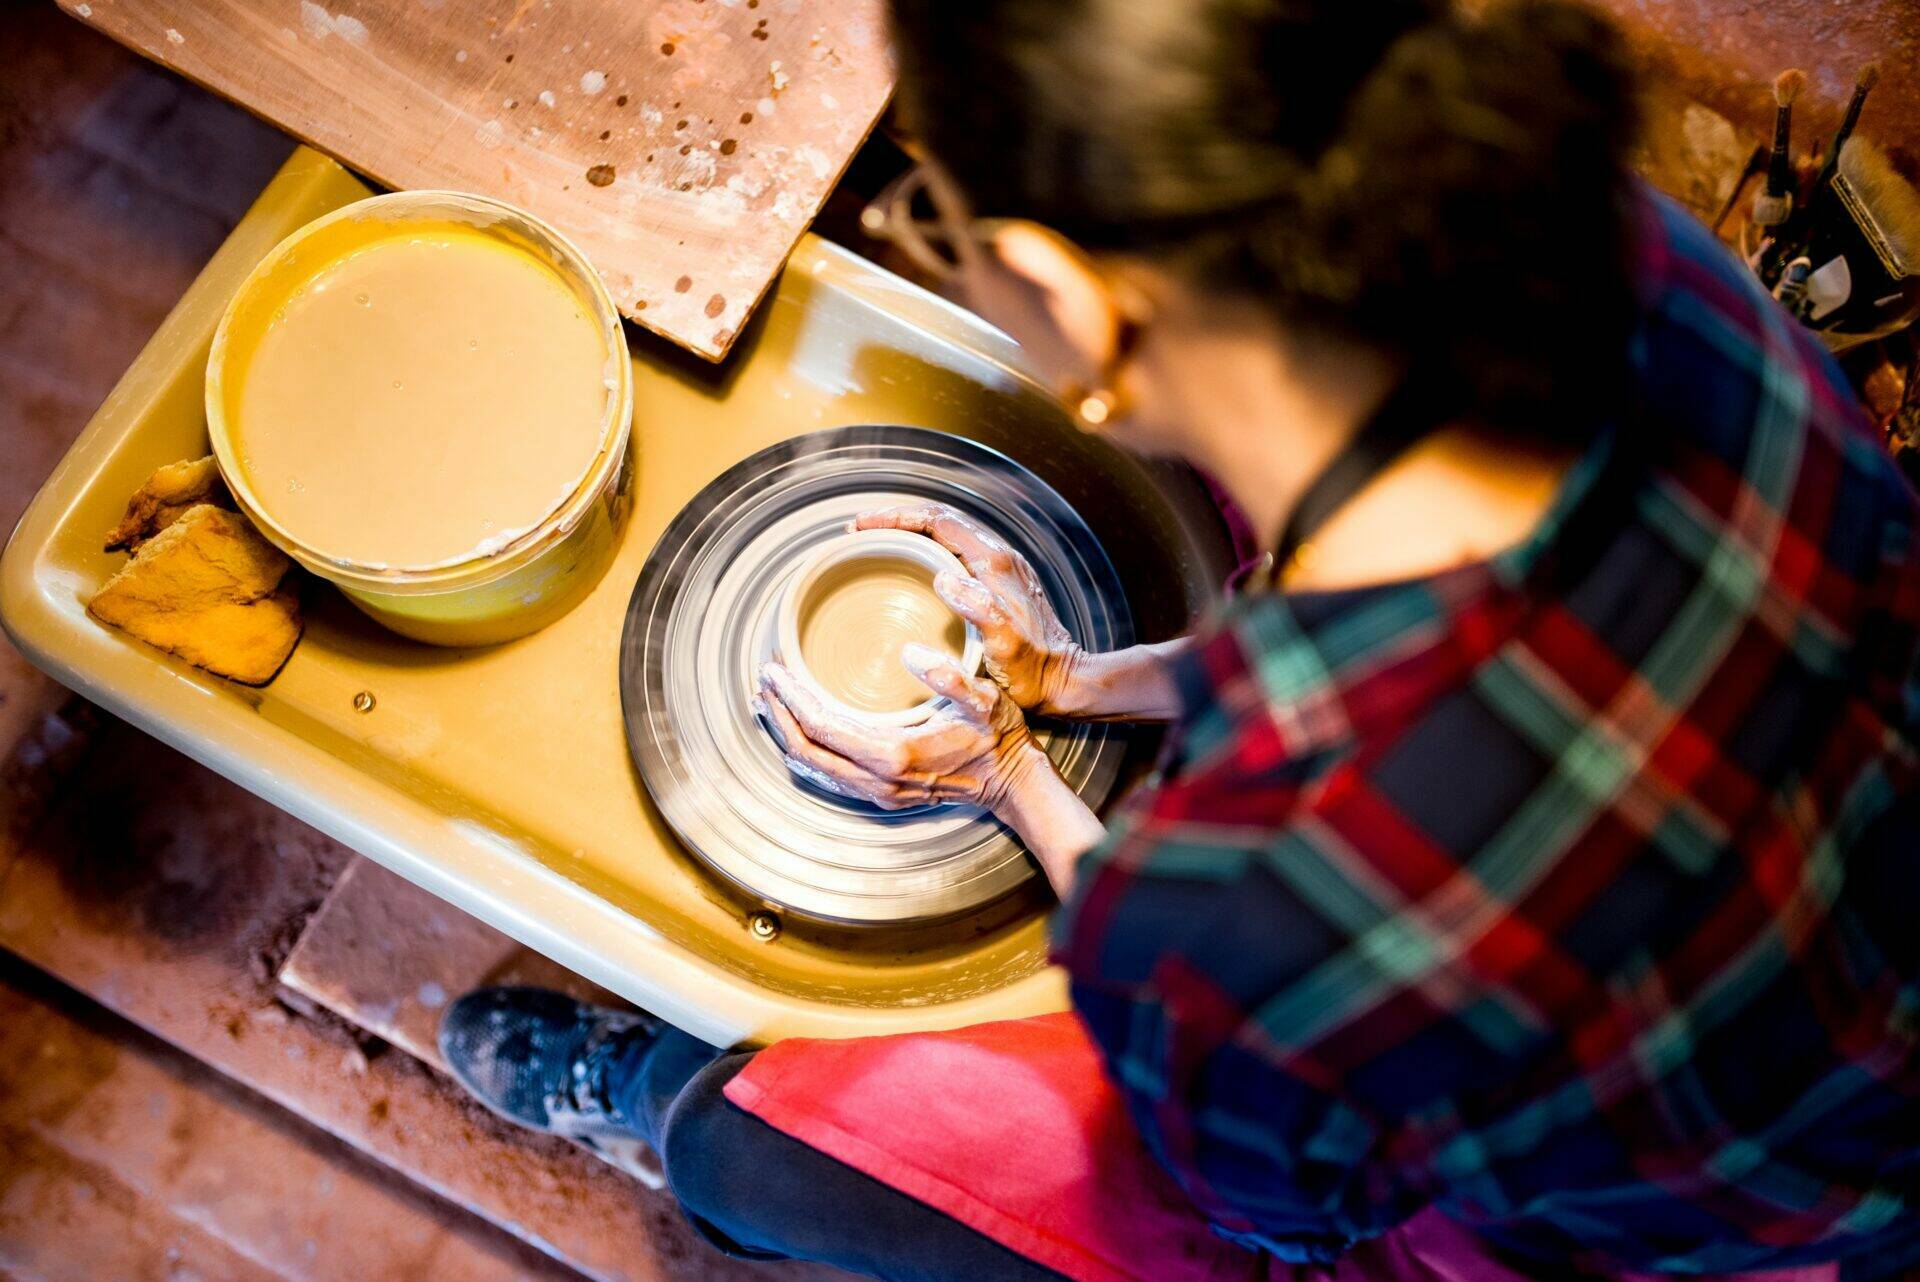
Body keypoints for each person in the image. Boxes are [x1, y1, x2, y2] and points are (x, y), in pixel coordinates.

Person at [438, 0, 1920, 1278]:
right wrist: (1072, 678)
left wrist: (1009, 778)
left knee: (765, 1148)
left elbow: (1273, 1176)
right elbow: (1450, 635)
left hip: (1708, 1232)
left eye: (939, 218)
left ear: (1070, 296)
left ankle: (665, 1106)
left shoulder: (1235, 922)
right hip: (1853, 990)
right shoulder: (1642, 259)